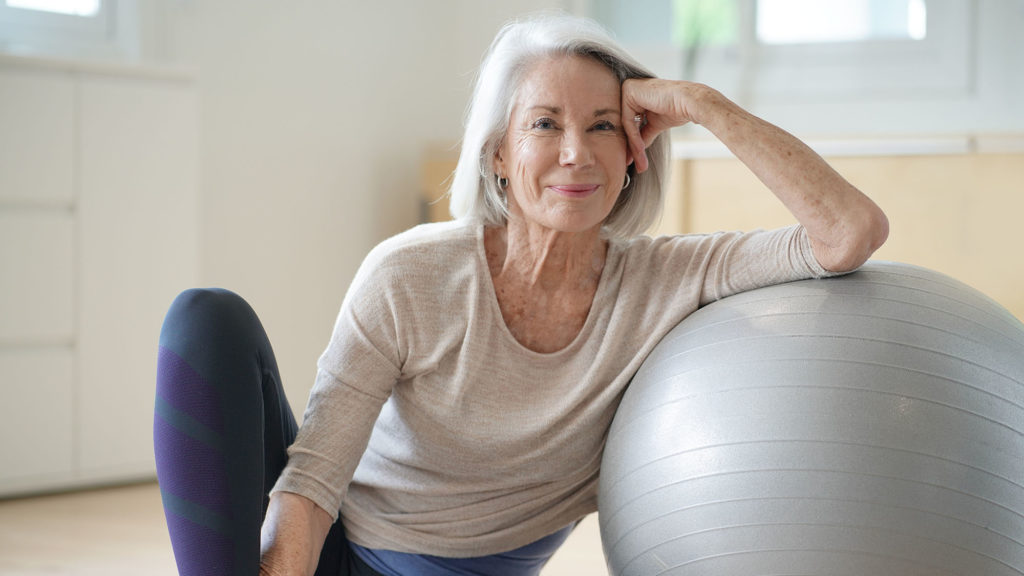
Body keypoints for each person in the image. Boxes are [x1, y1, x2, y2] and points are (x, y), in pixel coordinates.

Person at [154, 13, 888, 576]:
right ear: (499, 155)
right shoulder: (411, 276)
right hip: (333, 551)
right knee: (206, 319)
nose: (576, 152)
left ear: (634, 155)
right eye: (545, 124)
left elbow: (848, 232)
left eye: (604, 126)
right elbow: (312, 481)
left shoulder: (668, 281)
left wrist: (701, 104)